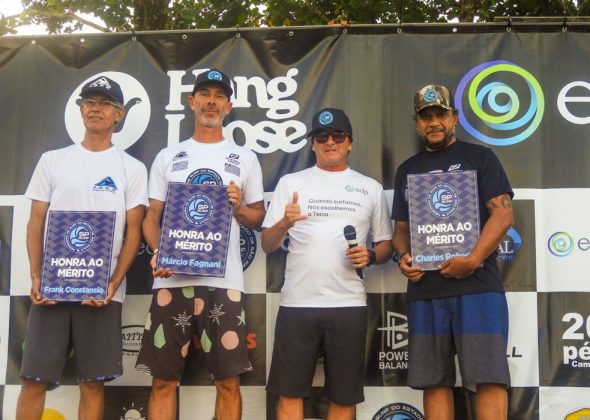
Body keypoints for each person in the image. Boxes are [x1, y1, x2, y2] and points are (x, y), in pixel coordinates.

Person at [136, 68, 265, 420]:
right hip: (171, 280)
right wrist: (158, 252)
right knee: (163, 381)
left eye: (219, 96)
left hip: (223, 284)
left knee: (228, 382)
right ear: (192, 103)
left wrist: (238, 207)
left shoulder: (245, 158)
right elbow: (151, 217)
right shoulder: (168, 156)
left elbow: (258, 218)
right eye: (204, 94)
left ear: (228, 107)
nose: (211, 101)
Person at [16, 75, 148, 420]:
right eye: (89, 102)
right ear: (80, 110)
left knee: (92, 383)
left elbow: (133, 232)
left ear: (118, 115)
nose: (96, 109)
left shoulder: (131, 168)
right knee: (33, 379)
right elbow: (35, 223)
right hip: (53, 289)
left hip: (101, 292)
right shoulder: (52, 160)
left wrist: (113, 282)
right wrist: (35, 276)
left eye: (105, 103)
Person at [261, 108, 393, 420]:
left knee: (344, 397)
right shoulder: (291, 183)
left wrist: (371, 255)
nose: (330, 142)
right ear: (313, 144)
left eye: (338, 136)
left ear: (349, 143)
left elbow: (386, 244)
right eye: (322, 137)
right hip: (297, 303)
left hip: (348, 303)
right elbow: (268, 244)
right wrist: (284, 223)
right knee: (290, 393)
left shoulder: (370, 188)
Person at [391, 84, 514, 420]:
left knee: (488, 377)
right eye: (426, 116)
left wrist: (472, 260)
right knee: (434, 381)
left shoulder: (480, 157)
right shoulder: (407, 169)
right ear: (417, 123)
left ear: (454, 118)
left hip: (478, 286)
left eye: (440, 115)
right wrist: (403, 258)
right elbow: (401, 233)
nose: (433, 122)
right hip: (426, 290)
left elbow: (503, 214)